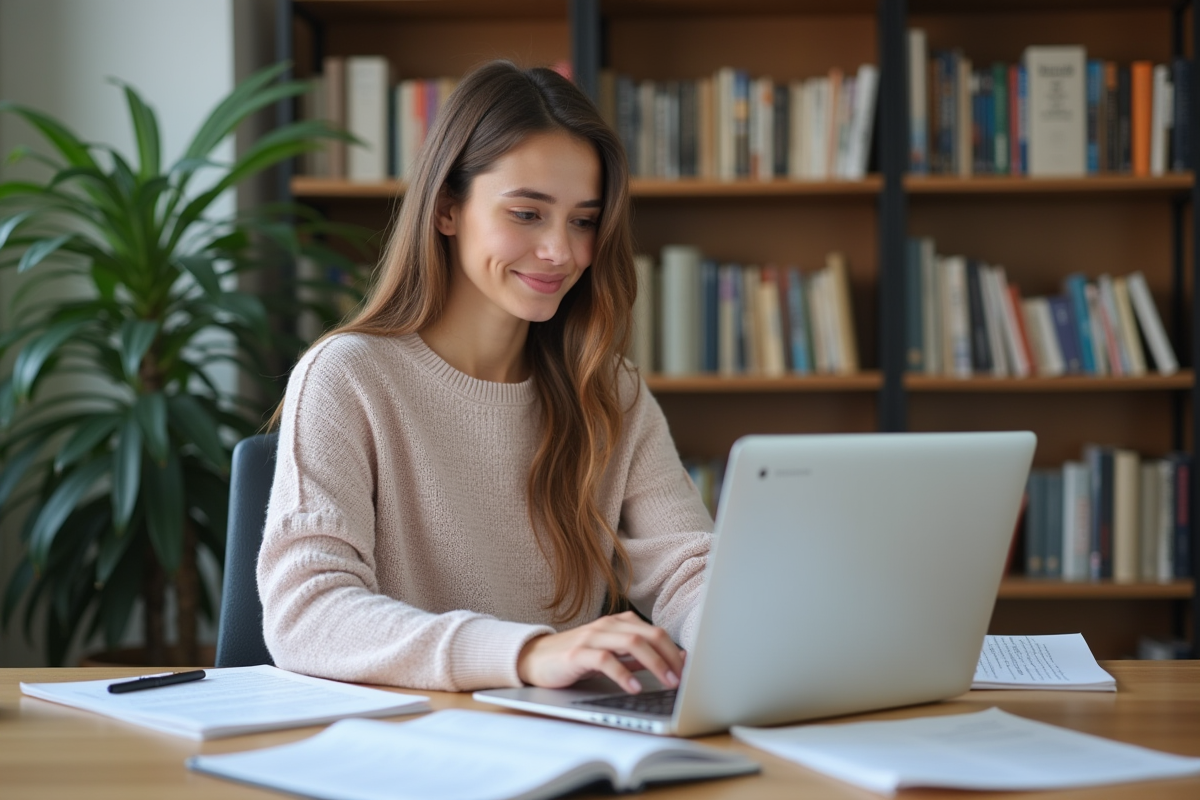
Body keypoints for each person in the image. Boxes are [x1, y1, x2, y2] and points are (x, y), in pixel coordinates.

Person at [258, 60, 713, 695]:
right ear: (447, 209)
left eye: (583, 220)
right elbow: (305, 614)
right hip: (409, 748)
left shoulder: (608, 387)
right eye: (527, 213)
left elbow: (688, 567)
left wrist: (757, 631)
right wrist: (527, 655)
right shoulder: (348, 377)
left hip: (564, 739)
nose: (562, 251)